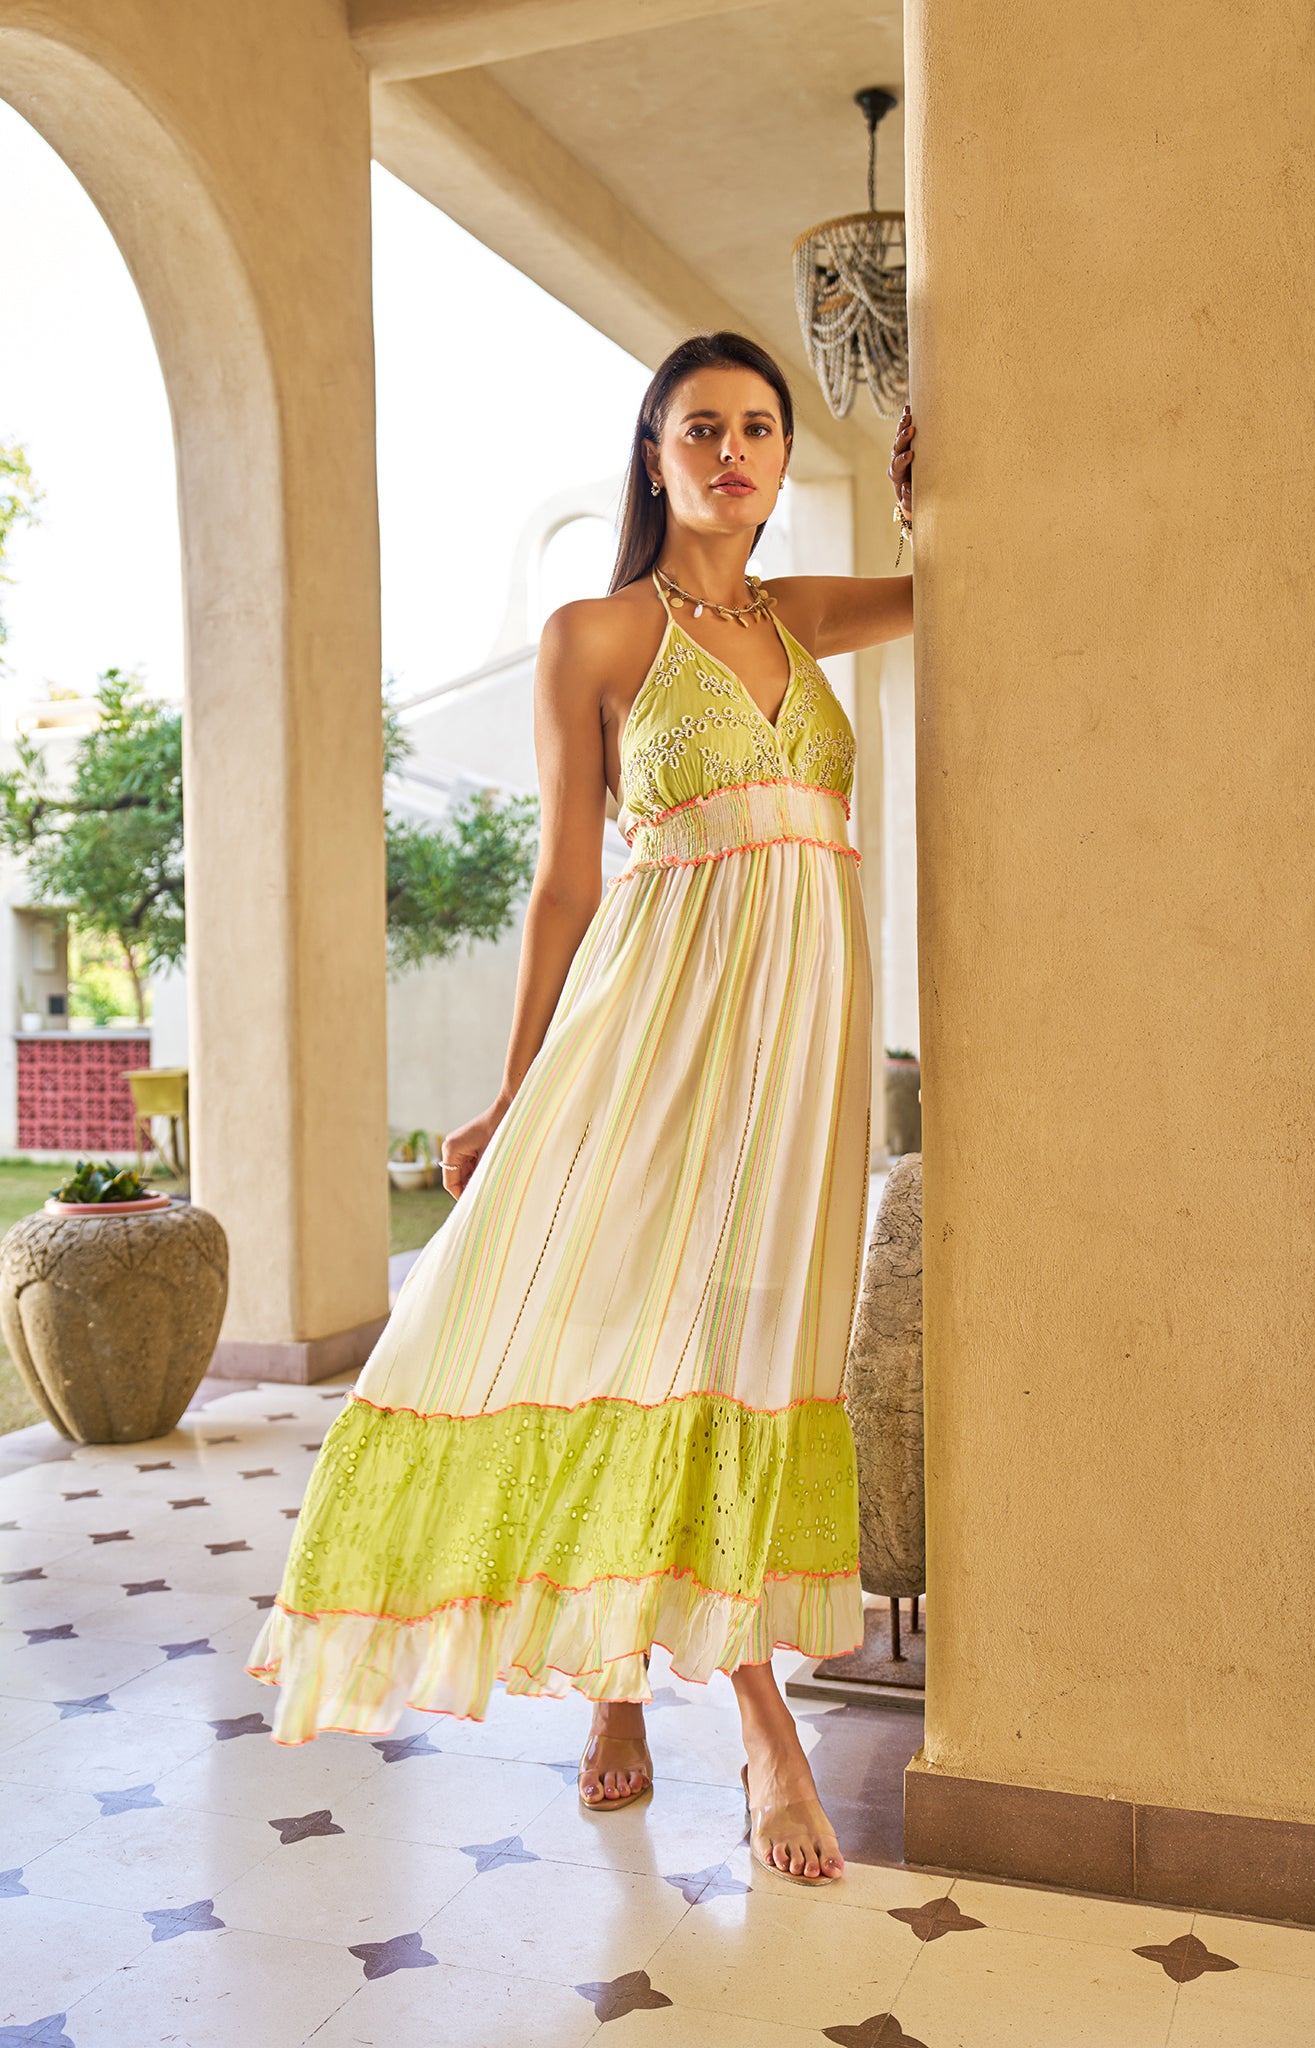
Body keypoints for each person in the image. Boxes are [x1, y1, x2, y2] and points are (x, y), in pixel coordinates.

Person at [247, 331, 915, 1888]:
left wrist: (918, 494)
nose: (733, 453)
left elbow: (963, 581)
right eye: (702, 428)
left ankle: (621, 1669)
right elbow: (562, 883)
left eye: (758, 428)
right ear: (653, 456)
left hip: (796, 1062)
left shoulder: (806, 617)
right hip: (653, 1037)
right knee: (631, 1339)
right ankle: (759, 1729)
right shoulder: (596, 635)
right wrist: (512, 1086)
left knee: (746, 1352)